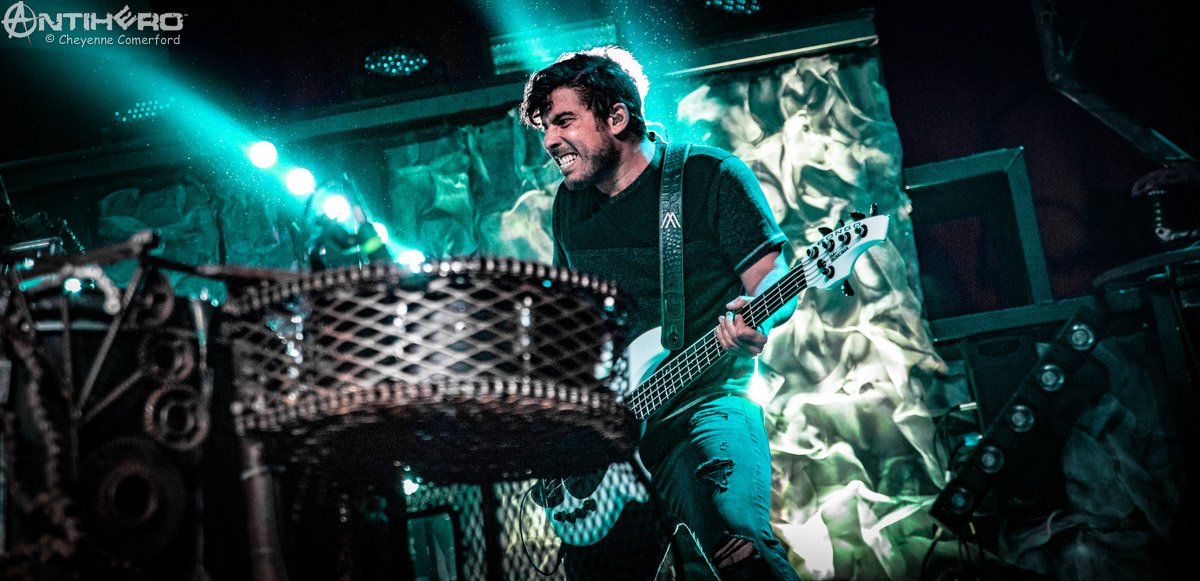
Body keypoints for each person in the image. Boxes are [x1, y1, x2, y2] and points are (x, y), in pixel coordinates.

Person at [520, 46, 800, 581]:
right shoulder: (569, 204)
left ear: (616, 117)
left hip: (703, 405)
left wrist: (756, 315)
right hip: (613, 441)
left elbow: (772, 278)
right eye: (546, 127)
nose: (550, 140)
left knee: (739, 545)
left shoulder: (709, 176)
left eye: (564, 121)